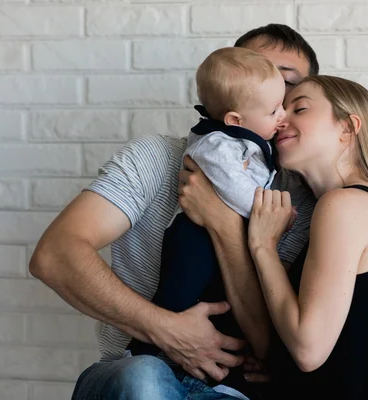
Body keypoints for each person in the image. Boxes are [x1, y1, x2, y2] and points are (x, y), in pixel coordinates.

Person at [29, 24, 318, 400]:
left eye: (285, 82)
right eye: (254, 70)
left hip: (232, 390)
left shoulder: (301, 203)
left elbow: (276, 346)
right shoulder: (157, 157)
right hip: (135, 370)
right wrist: (166, 329)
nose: (271, 89)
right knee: (144, 378)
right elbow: (55, 256)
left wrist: (222, 220)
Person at [243, 75, 368, 399]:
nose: (280, 120)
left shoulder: (344, 206)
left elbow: (308, 348)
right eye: (278, 110)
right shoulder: (365, 209)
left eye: (299, 108)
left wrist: (262, 246)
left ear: (347, 127)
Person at [127, 47, 286, 359]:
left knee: (211, 295)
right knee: (178, 293)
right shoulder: (217, 144)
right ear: (234, 119)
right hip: (193, 235)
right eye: (274, 111)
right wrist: (266, 211)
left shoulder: (245, 138)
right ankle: (146, 348)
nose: (283, 115)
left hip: (213, 233)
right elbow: (234, 188)